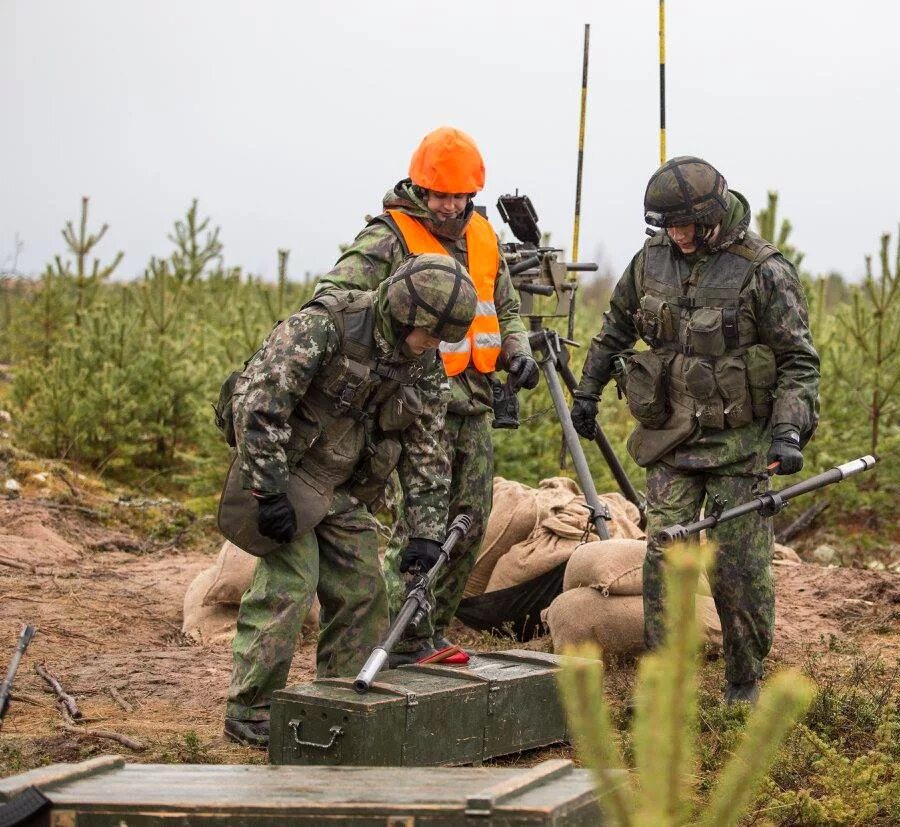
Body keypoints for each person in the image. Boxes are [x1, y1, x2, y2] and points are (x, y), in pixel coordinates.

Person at [570, 156, 821, 705]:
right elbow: (613, 329)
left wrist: (788, 434)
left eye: (684, 226)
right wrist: (585, 392)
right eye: (667, 227)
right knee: (666, 557)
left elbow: (798, 362)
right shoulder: (652, 261)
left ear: (711, 216)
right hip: (671, 441)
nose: (676, 236)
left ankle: (743, 682)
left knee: (739, 567)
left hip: (742, 447)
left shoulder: (764, 270)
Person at [222, 254, 478, 748]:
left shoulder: (421, 364)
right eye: (430, 335)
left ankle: (335, 704)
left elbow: (427, 449)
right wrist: (269, 491)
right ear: (404, 315)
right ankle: (249, 709)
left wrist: (424, 533)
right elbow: (258, 407)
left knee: (364, 593)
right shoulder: (324, 327)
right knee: (290, 584)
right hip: (285, 474)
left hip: (342, 491)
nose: (433, 347)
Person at [315, 126, 537, 666]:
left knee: (470, 520)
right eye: (440, 195)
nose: (449, 206)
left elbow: (503, 306)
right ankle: (388, 636)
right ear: (420, 188)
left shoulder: (482, 237)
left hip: (474, 402)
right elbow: (334, 298)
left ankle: (424, 633)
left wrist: (517, 347)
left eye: (460, 197)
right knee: (416, 526)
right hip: (410, 405)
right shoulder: (389, 236)